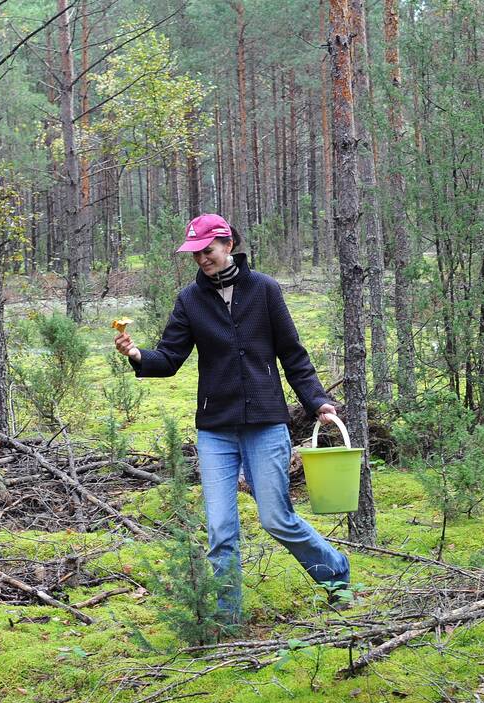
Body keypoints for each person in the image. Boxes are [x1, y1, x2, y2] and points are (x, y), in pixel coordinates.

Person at [114, 213, 349, 621]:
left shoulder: (265, 290)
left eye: (207, 250)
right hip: (216, 429)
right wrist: (137, 355)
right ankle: (228, 618)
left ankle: (335, 576)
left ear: (226, 244)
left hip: (265, 422)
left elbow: (293, 355)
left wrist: (318, 401)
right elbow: (170, 358)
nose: (202, 258)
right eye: (195, 253)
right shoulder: (190, 299)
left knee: (277, 519)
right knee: (221, 530)